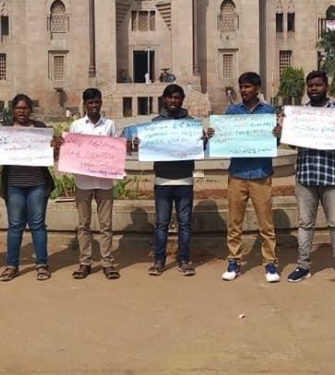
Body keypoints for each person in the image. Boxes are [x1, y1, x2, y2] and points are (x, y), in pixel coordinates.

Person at [207, 72, 282, 283]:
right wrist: (216, 135)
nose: (243, 91)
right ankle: (234, 261)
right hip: (237, 174)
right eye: (241, 87)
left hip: (261, 174)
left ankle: (269, 263)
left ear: (258, 89)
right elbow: (225, 140)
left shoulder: (268, 111)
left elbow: (272, 145)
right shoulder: (232, 112)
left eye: (248, 87)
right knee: (234, 222)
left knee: (266, 224)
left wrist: (277, 135)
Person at [286, 71, 335, 286]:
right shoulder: (300, 113)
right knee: (305, 224)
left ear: (326, 86)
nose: (314, 89)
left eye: (318, 85)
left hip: (333, 176)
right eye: (310, 86)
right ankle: (303, 266)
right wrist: (285, 131)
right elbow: (292, 144)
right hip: (306, 176)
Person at [131, 84, 204, 276]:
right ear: (164, 99)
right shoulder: (155, 124)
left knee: (185, 224)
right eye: (170, 97)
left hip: (184, 179)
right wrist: (140, 143)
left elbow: (198, 148)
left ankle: (184, 260)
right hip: (162, 180)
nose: (174, 101)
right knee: (161, 223)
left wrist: (203, 140)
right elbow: (147, 147)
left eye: (177, 97)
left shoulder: (190, 123)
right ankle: (159, 260)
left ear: (182, 100)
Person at [0, 94, 54, 282]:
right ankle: (11, 265)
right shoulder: (4, 131)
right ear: (13, 110)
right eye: (19, 108)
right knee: (15, 226)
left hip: (37, 182)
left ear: (30, 110)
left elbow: (50, 155)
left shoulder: (40, 129)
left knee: (37, 225)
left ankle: (42, 264)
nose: (22, 111)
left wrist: (55, 146)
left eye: (26, 108)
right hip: (14, 183)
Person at [68, 88, 120, 280]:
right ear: (85, 104)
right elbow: (71, 151)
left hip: (105, 181)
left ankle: (107, 262)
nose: (94, 106)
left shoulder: (110, 125)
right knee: (83, 225)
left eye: (97, 102)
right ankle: (85, 262)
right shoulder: (76, 126)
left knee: (106, 225)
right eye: (91, 103)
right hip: (83, 181)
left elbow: (115, 151)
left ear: (101, 103)